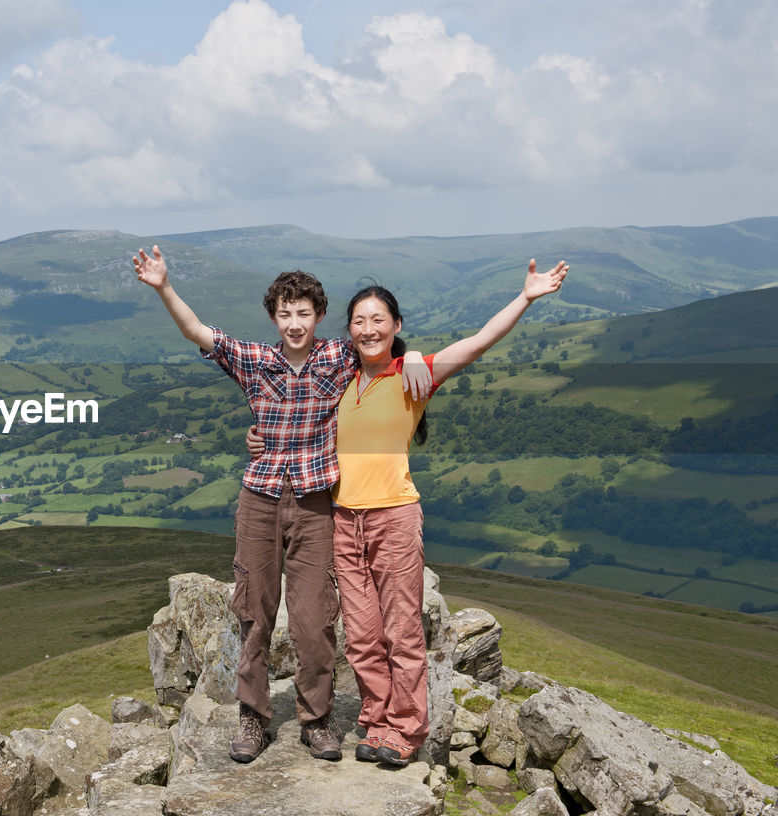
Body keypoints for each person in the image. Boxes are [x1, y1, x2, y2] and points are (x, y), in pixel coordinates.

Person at [250, 258, 567, 766]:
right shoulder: (341, 378)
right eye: (359, 321)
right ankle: (375, 721)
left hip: (393, 517)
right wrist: (259, 438)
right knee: (362, 635)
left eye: (379, 320)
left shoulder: (412, 375)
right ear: (348, 329)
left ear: (395, 326)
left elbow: (479, 342)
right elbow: (297, 419)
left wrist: (527, 297)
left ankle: (407, 728)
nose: (368, 329)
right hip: (343, 521)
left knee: (402, 630)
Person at [132, 245, 430, 764]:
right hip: (261, 499)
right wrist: (163, 287)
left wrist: (419, 359)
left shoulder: (337, 358)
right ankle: (253, 717)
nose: (295, 324)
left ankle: (317, 721)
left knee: (315, 619)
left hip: (317, 502)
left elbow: (382, 350)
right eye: (285, 314)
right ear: (274, 317)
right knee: (255, 611)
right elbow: (199, 333)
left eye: (305, 313)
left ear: (318, 317)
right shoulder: (256, 361)